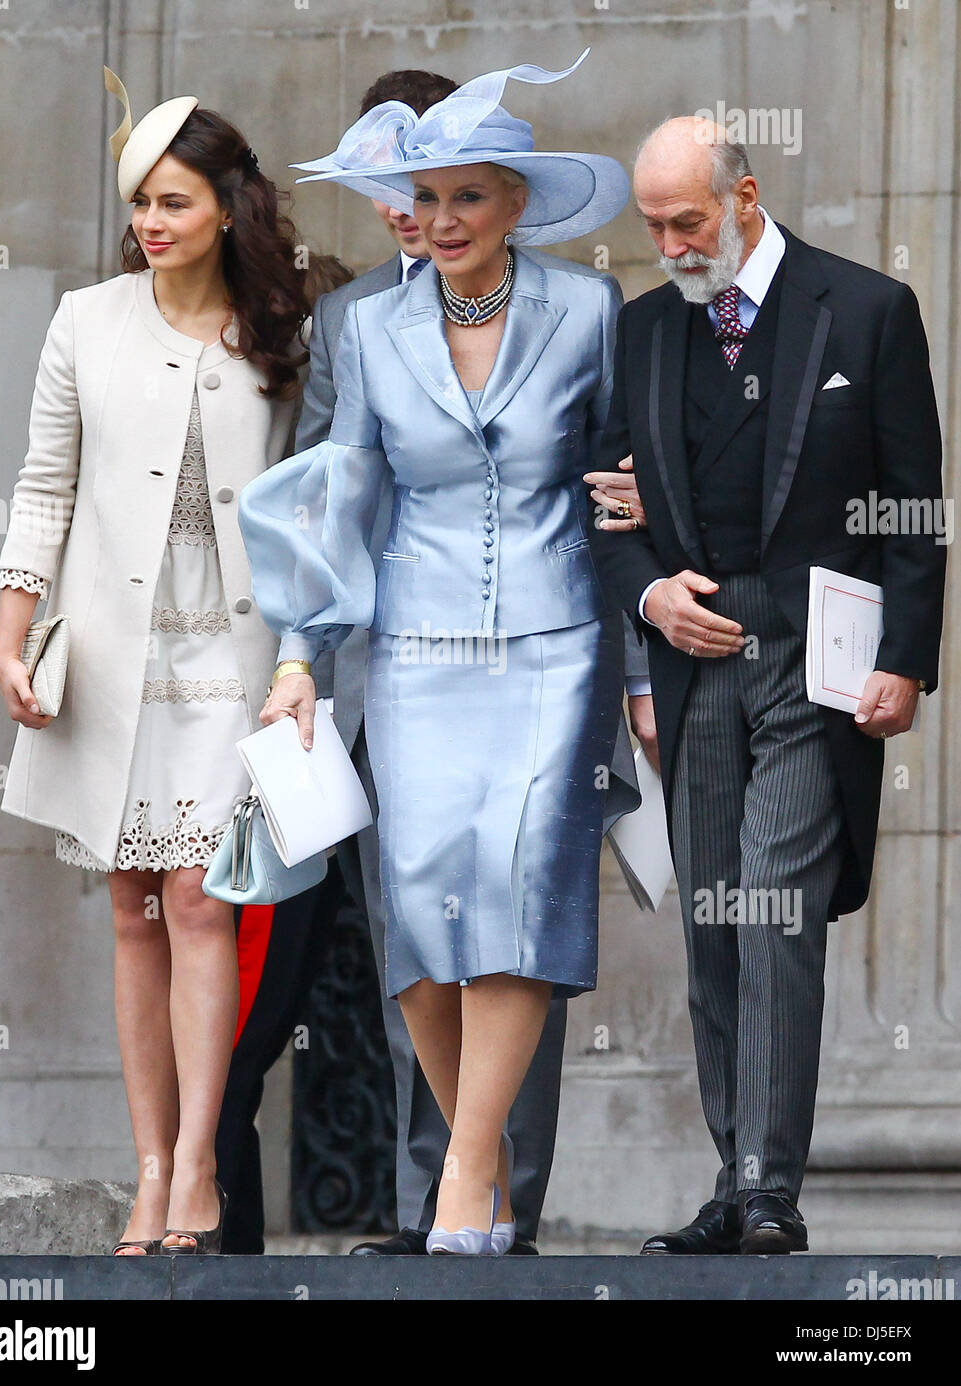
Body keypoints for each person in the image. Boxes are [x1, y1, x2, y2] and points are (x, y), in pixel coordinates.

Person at [239, 50, 638, 1255]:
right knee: (423, 910)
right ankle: (483, 1176)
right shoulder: (367, 329)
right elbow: (340, 496)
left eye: (471, 194)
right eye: (427, 196)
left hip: (553, 643)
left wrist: (635, 670)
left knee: (520, 894)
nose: (444, 218)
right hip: (413, 646)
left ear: (518, 201)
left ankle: (472, 1170)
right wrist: (302, 658)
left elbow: (625, 490)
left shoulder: (589, 309)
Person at [588, 117, 945, 1254]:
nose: (669, 244)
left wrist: (905, 660)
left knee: (777, 913)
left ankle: (768, 1189)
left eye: (686, 220)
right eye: (650, 226)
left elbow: (916, 512)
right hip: (695, 671)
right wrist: (650, 601)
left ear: (745, 196)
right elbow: (605, 511)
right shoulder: (642, 332)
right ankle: (733, 1180)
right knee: (713, 927)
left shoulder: (870, 309)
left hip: (816, 666)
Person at [0, 67, 310, 1255]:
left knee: (199, 898)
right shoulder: (85, 319)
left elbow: (313, 500)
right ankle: (147, 1165)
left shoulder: (285, 327)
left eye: (174, 203)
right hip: (111, 655)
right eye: (140, 206)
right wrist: (11, 629)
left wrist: (304, 661)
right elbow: (41, 486)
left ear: (227, 205)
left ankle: (199, 1173)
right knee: (131, 906)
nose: (152, 225)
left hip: (234, 652)